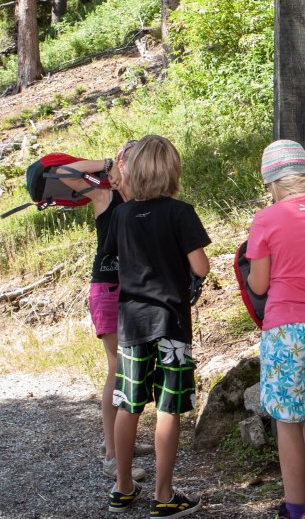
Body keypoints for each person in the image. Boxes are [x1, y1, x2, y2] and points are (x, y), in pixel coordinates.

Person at [101, 135, 210, 516]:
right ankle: (163, 495)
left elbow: (113, 255)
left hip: (132, 323)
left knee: (128, 404)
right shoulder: (181, 213)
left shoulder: (121, 215)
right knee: (167, 407)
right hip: (171, 323)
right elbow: (200, 267)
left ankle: (122, 487)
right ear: (172, 171)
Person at [245, 140, 305, 519]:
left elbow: (259, 285)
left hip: (286, 328)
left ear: (272, 183)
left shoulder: (266, 219)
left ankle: (295, 508)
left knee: (287, 420)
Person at [56, 141, 148, 482]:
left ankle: (123, 439)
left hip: (140, 290)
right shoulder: (104, 195)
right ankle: (112, 454)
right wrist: (106, 163)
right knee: (118, 368)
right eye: (129, 161)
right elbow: (62, 173)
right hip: (109, 289)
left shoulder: (146, 200)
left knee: (134, 367)